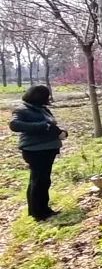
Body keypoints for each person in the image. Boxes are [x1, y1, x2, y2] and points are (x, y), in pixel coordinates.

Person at [9, 85, 67, 221]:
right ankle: (38, 213)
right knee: (38, 181)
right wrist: (43, 126)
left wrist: (60, 133)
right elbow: (14, 125)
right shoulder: (22, 110)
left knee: (43, 180)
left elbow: (51, 126)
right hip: (36, 151)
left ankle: (42, 209)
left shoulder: (42, 109)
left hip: (47, 149)